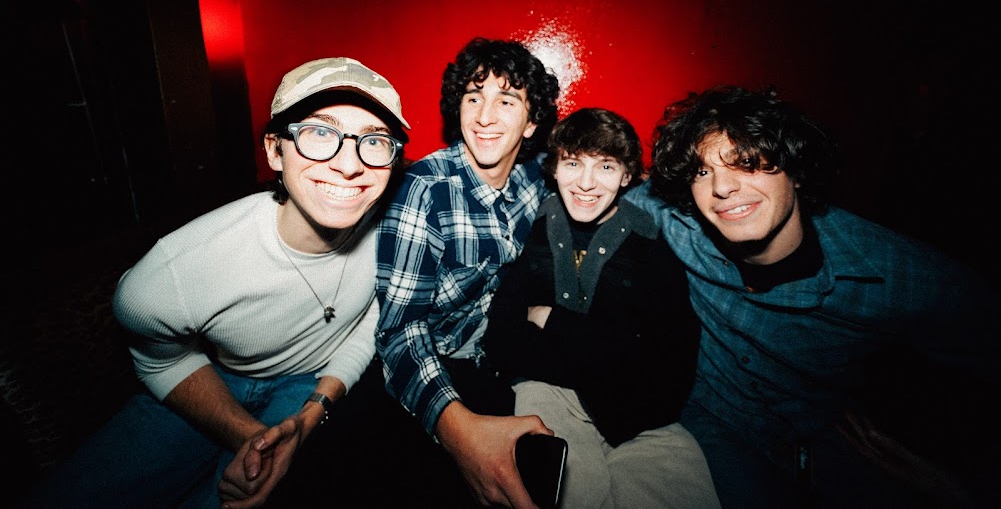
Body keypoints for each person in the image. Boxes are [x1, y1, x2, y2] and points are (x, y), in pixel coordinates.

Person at [21, 57, 410, 509]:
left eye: (374, 140)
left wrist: (312, 413)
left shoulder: (401, 227)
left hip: (308, 385)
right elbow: (160, 362)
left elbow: (372, 319)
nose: (348, 165)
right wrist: (251, 435)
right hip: (211, 378)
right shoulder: (169, 276)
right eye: (319, 133)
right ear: (274, 151)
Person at [624, 84, 1001, 507]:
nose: (723, 187)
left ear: (797, 171)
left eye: (747, 163)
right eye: (702, 171)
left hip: (825, 441)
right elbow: (596, 192)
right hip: (710, 421)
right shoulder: (676, 223)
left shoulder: (887, 271)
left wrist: (958, 485)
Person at [482, 107, 720, 508]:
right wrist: (606, 347)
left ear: (627, 176)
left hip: (643, 418)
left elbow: (668, 361)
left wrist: (552, 319)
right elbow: (503, 340)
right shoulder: (535, 226)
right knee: (564, 490)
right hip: (549, 395)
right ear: (555, 168)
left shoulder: (649, 243)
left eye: (606, 166)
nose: (587, 183)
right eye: (574, 163)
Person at [375, 36, 561, 507]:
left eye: (506, 100)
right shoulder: (426, 191)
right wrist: (458, 428)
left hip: (497, 354)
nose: (484, 116)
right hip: (431, 370)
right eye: (473, 97)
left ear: (532, 122)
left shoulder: (533, 180)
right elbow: (399, 330)